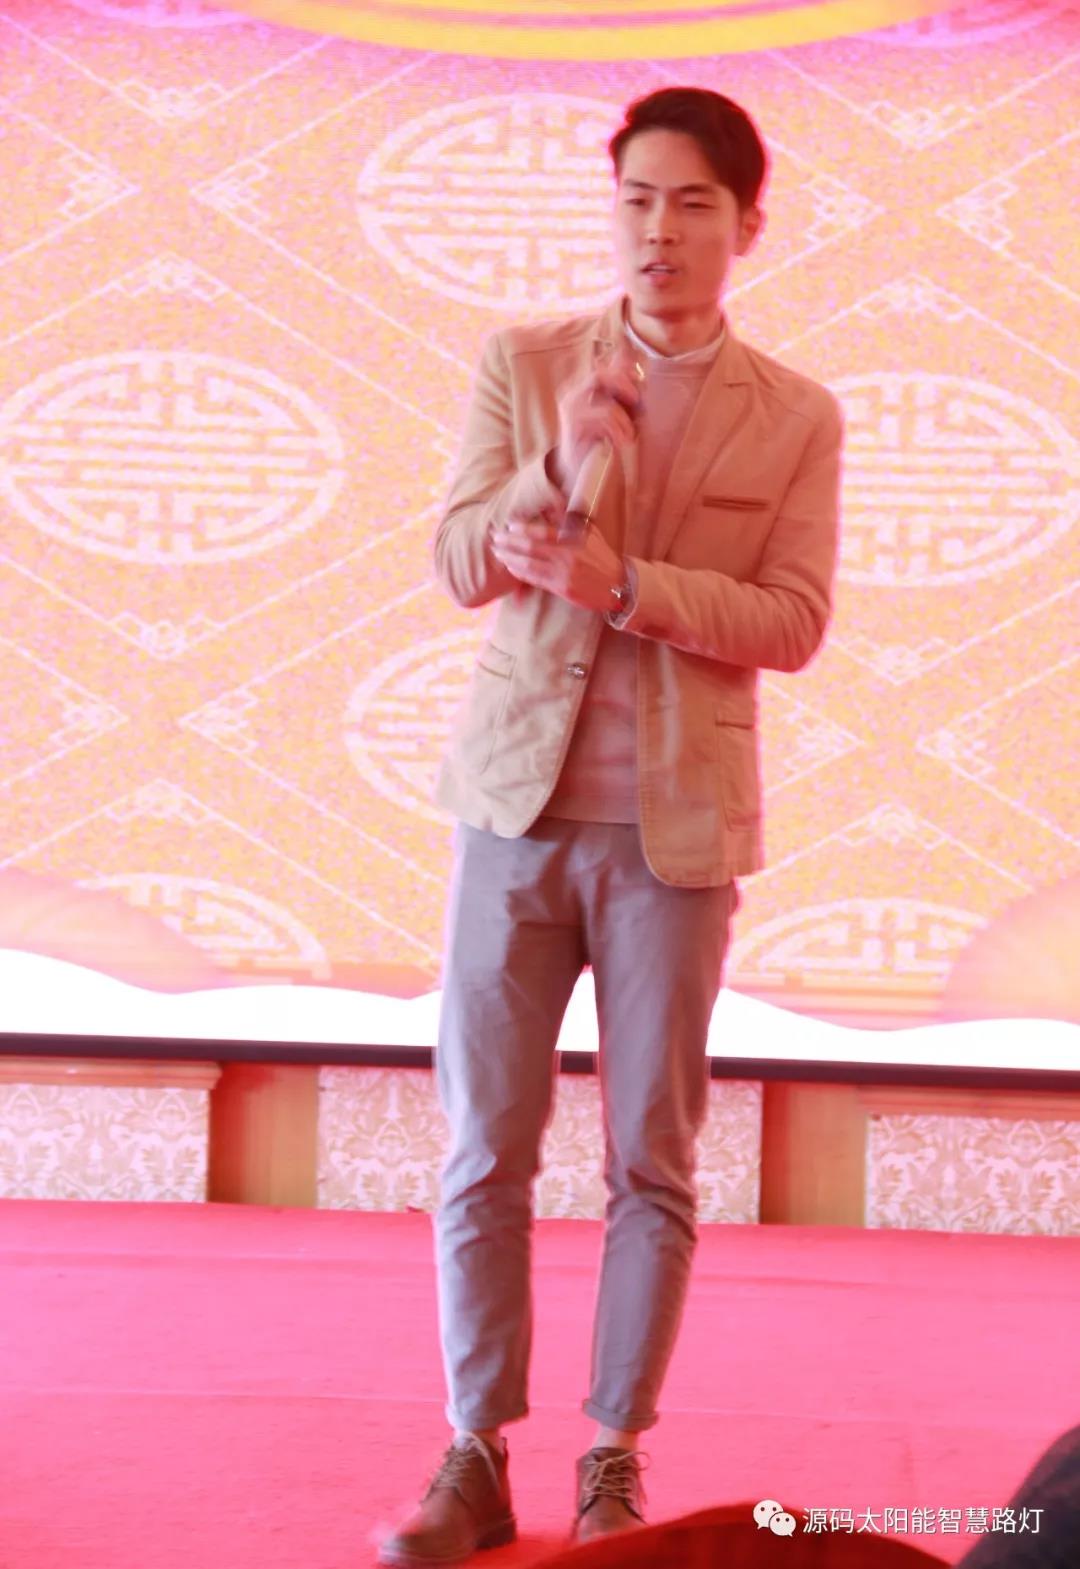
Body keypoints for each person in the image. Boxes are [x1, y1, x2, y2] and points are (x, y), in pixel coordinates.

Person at [378, 85, 845, 1568]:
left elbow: (795, 620)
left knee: (652, 1159)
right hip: (512, 819)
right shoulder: (526, 365)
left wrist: (628, 589)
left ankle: (612, 1455)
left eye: (693, 202)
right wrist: (549, 466)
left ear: (746, 225)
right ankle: (473, 1453)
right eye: (637, 198)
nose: (659, 229)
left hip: (676, 839)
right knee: (482, 1150)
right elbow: (459, 561)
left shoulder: (797, 412)